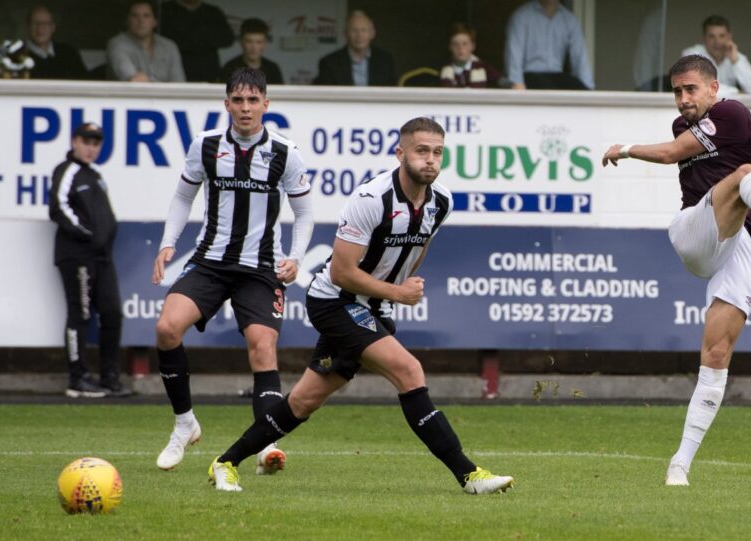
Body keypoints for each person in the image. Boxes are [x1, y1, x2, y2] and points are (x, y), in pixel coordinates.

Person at [206, 117, 515, 495]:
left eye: (437, 152)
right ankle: (470, 476)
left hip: (373, 307)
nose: (430, 160)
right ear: (400, 153)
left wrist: (394, 290)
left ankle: (225, 463)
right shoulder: (371, 199)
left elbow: (419, 245)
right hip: (333, 301)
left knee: (303, 402)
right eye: (421, 151)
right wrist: (397, 293)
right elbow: (341, 273)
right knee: (409, 370)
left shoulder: (442, 201)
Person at [601, 55, 751, 486]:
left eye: (690, 89)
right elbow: (677, 150)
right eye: (676, 91)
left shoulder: (732, 112)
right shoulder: (685, 127)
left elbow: (673, 153)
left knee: (716, 358)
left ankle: (679, 464)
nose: (682, 100)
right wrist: (627, 149)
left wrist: (624, 148)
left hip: (743, 244)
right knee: (743, 175)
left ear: (714, 88)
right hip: (694, 232)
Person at [151, 67, 314, 474]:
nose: (245, 108)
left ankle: (266, 443)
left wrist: (295, 256)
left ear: (266, 104)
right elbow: (182, 196)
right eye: (237, 100)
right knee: (167, 329)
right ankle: (184, 424)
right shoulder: (205, 145)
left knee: (262, 347)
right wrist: (168, 242)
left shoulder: (284, 151)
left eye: (253, 100)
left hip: (260, 267)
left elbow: (305, 209)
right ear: (226, 104)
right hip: (210, 262)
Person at [49, 123, 132, 399]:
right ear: (74, 141)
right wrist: (87, 235)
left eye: (96, 143)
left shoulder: (95, 175)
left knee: (112, 313)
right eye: (86, 141)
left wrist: (102, 240)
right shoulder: (67, 171)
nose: (91, 147)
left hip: (101, 257)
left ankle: (110, 377)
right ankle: (78, 378)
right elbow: (58, 207)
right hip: (77, 255)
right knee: (80, 314)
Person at [504, 0, 593, 90]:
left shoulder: (569, 20)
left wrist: (588, 89)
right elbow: (514, 53)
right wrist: (517, 82)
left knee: (576, 88)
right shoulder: (522, 16)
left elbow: (580, 58)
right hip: (530, 75)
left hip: (557, 75)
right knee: (549, 88)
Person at [681, 15, 751, 96]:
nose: (717, 42)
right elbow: (701, 88)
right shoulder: (691, 55)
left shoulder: (737, 57)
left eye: (721, 36)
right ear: (704, 38)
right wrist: (736, 92)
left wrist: (735, 61)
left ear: (729, 37)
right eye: (711, 36)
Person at [106, 0, 185, 82]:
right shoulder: (117, 44)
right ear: (127, 20)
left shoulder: (169, 47)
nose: (140, 21)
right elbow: (135, 80)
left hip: (166, 95)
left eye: (146, 16)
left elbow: (179, 83)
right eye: (135, 16)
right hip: (131, 94)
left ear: (155, 22)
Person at [313, 10, 396, 86]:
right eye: (354, 30)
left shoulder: (385, 61)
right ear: (346, 34)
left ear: (372, 33)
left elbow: (393, 93)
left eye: (363, 30)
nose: (359, 35)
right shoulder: (329, 63)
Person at [159, 0, 233, 83]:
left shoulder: (213, 12)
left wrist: (201, 37)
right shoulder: (166, 10)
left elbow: (228, 39)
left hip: (208, 73)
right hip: (175, 72)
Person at [25, 5, 88, 80]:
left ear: (53, 27)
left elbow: (84, 82)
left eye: (45, 23)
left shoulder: (69, 53)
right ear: (28, 26)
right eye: (35, 23)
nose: (40, 28)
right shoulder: (17, 55)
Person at [439, 22, 505, 88]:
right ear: (450, 47)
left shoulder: (482, 67)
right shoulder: (445, 70)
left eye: (465, 44)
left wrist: (513, 86)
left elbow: (501, 80)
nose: (460, 48)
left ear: (473, 46)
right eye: (455, 44)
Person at [218, 18, 283, 85]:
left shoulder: (273, 69)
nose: (254, 47)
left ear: (265, 44)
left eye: (259, 42)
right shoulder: (230, 69)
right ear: (241, 42)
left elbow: (281, 94)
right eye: (249, 41)